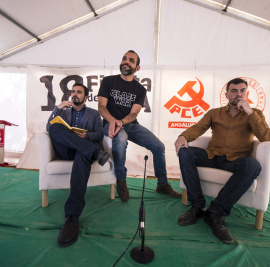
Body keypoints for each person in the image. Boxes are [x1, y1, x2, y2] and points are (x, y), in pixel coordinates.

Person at [174, 78, 270, 244]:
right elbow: (198, 128)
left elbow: (265, 137)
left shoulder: (254, 114)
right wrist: (183, 136)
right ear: (226, 94)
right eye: (234, 91)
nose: (238, 94)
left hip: (236, 161)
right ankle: (198, 206)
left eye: (242, 91)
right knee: (185, 152)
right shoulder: (214, 113)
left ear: (246, 93)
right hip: (213, 156)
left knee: (253, 165)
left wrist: (249, 112)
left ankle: (215, 212)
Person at [98, 50, 182, 202]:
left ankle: (162, 184)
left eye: (131, 60)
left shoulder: (140, 89)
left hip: (129, 125)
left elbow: (133, 114)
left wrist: (121, 122)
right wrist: (113, 121)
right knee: (121, 137)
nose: (126, 62)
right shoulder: (108, 81)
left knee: (159, 147)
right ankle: (121, 180)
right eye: (124, 58)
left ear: (137, 68)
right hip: (109, 124)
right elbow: (101, 107)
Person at [46, 83, 110, 247]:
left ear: (86, 97)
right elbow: (49, 128)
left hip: (82, 152)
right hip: (67, 150)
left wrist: (85, 136)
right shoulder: (63, 112)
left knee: (83, 154)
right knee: (54, 127)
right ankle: (95, 152)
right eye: (73, 91)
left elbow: (100, 133)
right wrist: (58, 108)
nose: (74, 94)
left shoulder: (94, 114)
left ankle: (72, 216)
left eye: (79, 92)